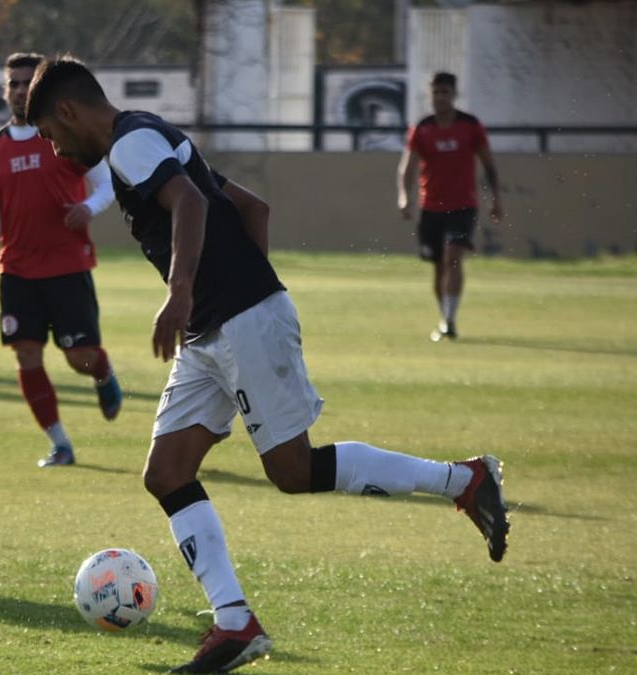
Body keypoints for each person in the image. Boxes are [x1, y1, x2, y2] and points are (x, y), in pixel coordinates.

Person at [25, 57, 510, 672]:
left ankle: (464, 481)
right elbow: (253, 208)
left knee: (293, 468)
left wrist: (190, 294)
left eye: (48, 132)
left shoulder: (128, 146)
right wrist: (234, 292)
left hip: (235, 320)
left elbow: (192, 208)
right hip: (217, 329)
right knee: (167, 472)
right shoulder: (152, 132)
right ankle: (235, 625)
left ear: (67, 110)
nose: (54, 146)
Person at [0, 53, 121, 468]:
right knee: (26, 354)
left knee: (79, 358)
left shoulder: (66, 137)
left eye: (27, 83)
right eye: (12, 84)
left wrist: (88, 208)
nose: (18, 91)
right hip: (16, 269)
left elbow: (107, 185)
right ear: (3, 90)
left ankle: (102, 371)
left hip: (67, 265)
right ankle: (60, 444)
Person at [397, 71, 503, 342]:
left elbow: (489, 165)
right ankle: (443, 316)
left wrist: (496, 199)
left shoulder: (471, 126)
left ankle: (450, 320)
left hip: (463, 205)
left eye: (445, 92)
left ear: (454, 95)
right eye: (436, 92)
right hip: (431, 206)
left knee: (453, 255)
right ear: (430, 95)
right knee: (438, 266)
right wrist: (404, 196)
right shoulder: (422, 128)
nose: (440, 97)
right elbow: (407, 167)